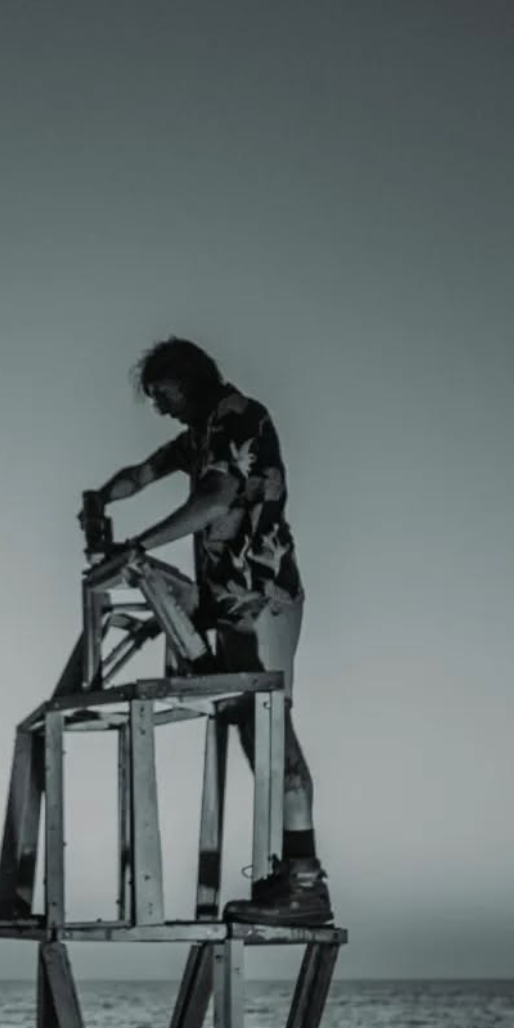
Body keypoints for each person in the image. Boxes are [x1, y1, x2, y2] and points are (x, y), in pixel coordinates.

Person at [88, 336, 333, 925]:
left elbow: (216, 497)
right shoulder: (199, 433)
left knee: (273, 732)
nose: (159, 407)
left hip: (261, 594)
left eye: (162, 394)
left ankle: (306, 880)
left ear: (186, 379)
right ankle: (287, 874)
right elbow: (142, 474)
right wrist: (100, 498)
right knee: (253, 731)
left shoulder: (238, 416)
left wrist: (138, 545)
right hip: (228, 603)